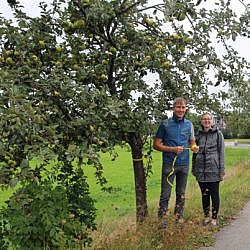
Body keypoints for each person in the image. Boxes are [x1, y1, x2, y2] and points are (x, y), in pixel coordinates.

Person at [153, 97, 199, 228]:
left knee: (181, 193)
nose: (180, 110)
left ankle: (178, 219)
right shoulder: (165, 124)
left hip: (184, 164)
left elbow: (192, 142)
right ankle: (162, 223)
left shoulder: (189, 124)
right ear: (173, 108)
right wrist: (172, 149)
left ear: (186, 109)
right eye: (178, 107)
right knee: (165, 194)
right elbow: (156, 145)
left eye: (183, 107)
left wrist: (194, 147)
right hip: (169, 164)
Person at [192, 112, 225, 226]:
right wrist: (194, 168)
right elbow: (194, 153)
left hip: (214, 169)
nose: (206, 121)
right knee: (204, 194)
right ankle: (206, 216)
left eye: (208, 119)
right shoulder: (198, 135)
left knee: (214, 194)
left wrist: (222, 170)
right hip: (201, 170)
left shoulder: (218, 134)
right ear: (201, 121)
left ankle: (214, 218)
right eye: (204, 119)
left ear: (212, 121)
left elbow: (221, 153)